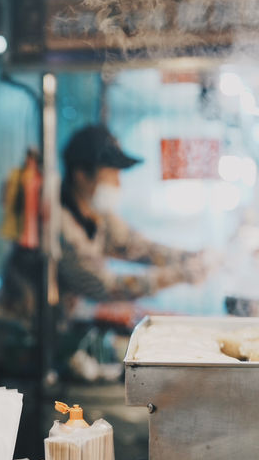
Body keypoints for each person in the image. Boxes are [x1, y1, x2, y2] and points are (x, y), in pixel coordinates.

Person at [58, 123, 208, 316]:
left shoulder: (99, 216)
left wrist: (191, 257)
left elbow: (136, 247)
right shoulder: (59, 224)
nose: (118, 183)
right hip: (30, 336)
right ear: (80, 175)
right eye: (111, 174)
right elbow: (104, 288)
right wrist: (179, 275)